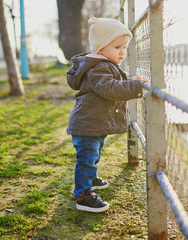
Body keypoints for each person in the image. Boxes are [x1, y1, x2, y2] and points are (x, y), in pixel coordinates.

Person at [66, 17, 149, 213]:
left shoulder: (103, 65)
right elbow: (110, 88)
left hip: (94, 123)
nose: (122, 52)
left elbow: (114, 81)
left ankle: (90, 178)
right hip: (88, 125)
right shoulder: (98, 67)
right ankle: (83, 195)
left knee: (93, 155)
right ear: (101, 49)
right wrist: (135, 87)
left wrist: (131, 80)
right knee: (87, 158)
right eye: (117, 46)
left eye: (125, 47)